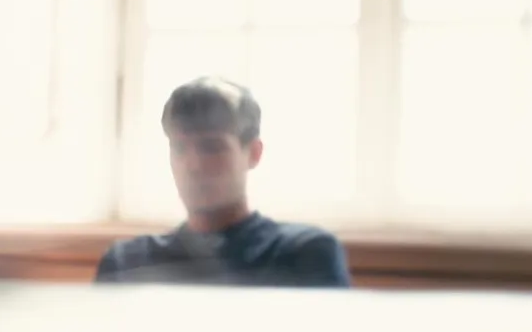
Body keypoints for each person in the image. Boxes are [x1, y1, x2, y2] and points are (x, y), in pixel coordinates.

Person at [95, 76, 350, 287]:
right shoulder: (126, 262)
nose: (193, 165)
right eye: (180, 148)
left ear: (253, 153)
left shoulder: (303, 254)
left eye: (212, 147)